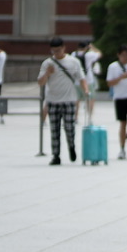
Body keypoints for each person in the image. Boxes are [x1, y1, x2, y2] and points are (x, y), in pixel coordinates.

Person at [37, 37, 89, 165]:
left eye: (59, 50)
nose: (56, 53)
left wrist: (86, 91)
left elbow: (82, 78)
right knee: (54, 130)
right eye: (54, 51)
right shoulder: (47, 63)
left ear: (64, 48)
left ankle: (71, 147)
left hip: (69, 100)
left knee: (69, 127)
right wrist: (47, 73)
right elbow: (40, 83)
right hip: (52, 101)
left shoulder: (74, 61)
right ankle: (56, 155)